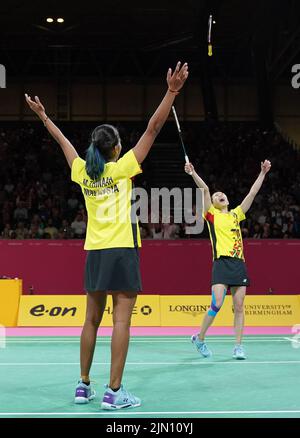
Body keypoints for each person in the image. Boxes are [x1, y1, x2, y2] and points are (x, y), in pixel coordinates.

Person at [25, 61, 188, 410]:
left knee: (90, 321)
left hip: (95, 252)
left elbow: (63, 142)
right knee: (121, 321)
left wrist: (44, 117)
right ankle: (114, 392)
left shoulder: (83, 172)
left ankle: (83, 386)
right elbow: (154, 128)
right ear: (114, 149)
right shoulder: (122, 168)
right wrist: (172, 92)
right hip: (122, 250)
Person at [185, 159, 271, 359]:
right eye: (217, 196)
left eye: (221, 194)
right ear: (213, 203)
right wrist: (193, 173)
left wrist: (263, 173)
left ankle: (238, 346)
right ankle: (200, 338)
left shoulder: (236, 215)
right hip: (221, 263)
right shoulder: (211, 215)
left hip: (238, 263)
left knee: (239, 306)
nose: (219, 195)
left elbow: (252, 193)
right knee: (216, 303)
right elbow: (205, 189)